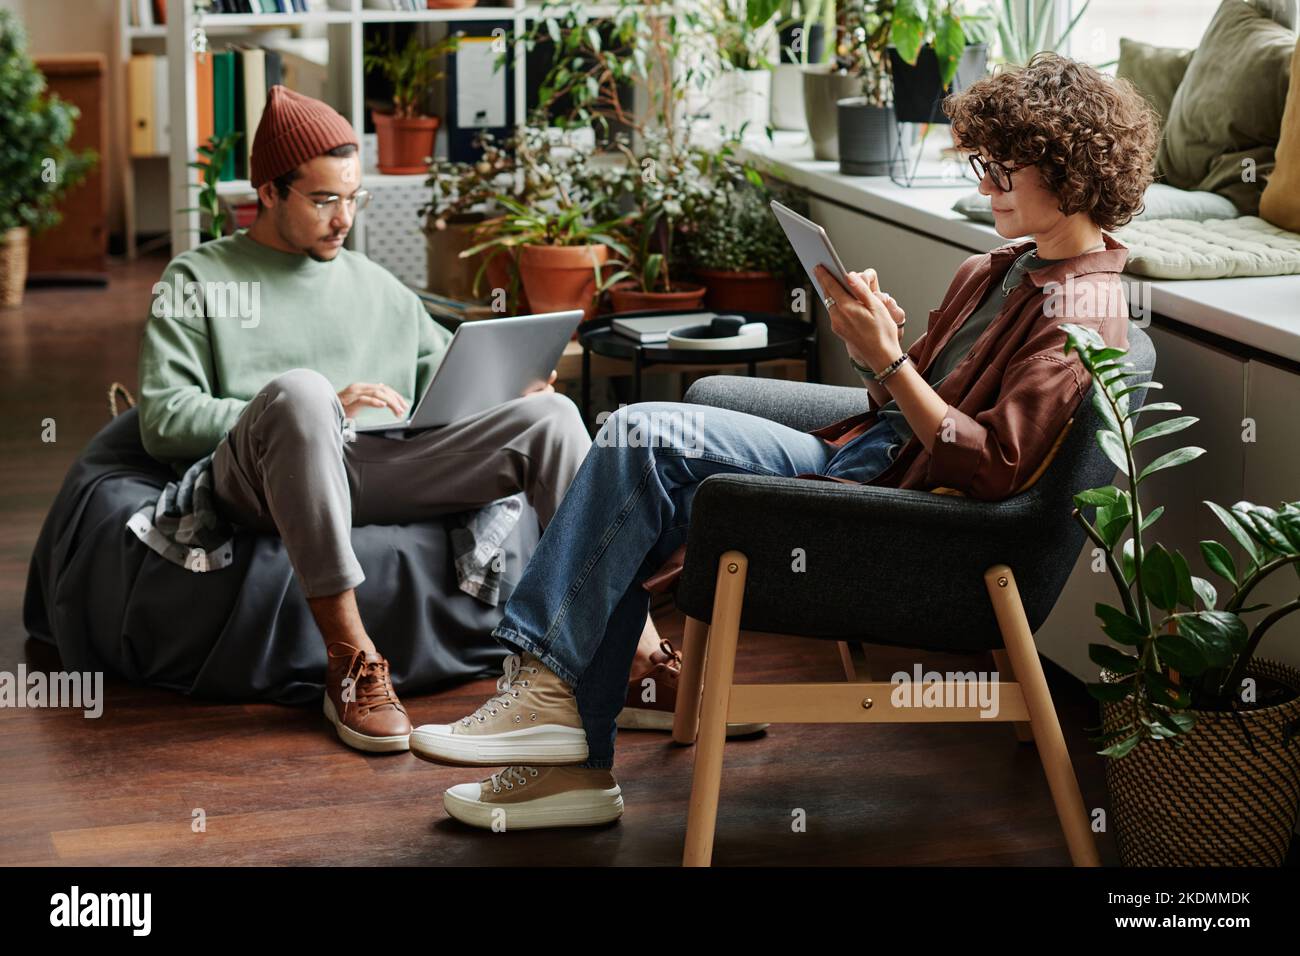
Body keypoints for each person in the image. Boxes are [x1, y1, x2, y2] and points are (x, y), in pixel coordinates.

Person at [407, 52, 1160, 830]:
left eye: (1001, 168)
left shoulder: (1083, 310)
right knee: (640, 458)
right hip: (867, 457)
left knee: (639, 441)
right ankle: (567, 752)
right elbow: (904, 405)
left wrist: (890, 360)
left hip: (903, 520)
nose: (982, 185)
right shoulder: (996, 268)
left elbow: (995, 468)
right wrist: (886, 352)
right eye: (980, 163)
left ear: (1069, 168)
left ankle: (550, 713)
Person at [135, 86, 684, 754]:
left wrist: (509, 394)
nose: (345, 218)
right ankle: (351, 662)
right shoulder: (198, 278)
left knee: (552, 415)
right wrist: (327, 404)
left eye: (353, 197)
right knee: (304, 395)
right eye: (324, 199)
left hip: (381, 464)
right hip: (262, 474)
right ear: (269, 192)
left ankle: (635, 658)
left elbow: (442, 389)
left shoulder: (376, 285)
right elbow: (164, 418)